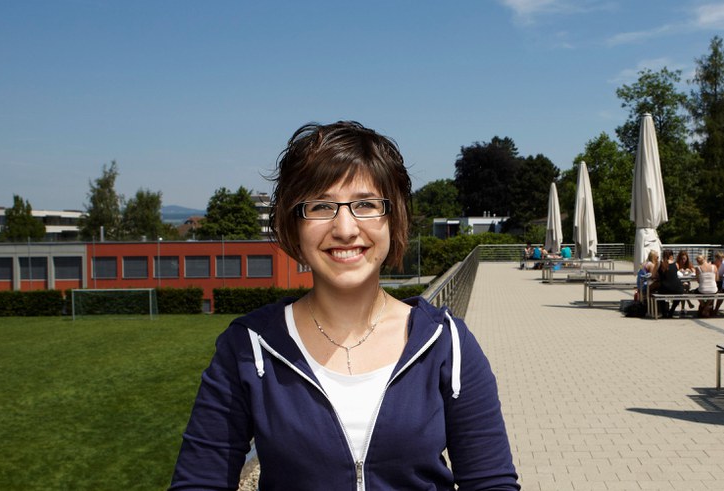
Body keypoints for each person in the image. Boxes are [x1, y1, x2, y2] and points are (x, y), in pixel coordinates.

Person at [171, 121, 519, 490]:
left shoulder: (447, 344)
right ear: (294, 224)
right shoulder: (248, 348)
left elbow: (491, 483)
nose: (345, 229)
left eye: (366, 204)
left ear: (393, 219)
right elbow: (199, 482)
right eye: (321, 206)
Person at [654, 249, 686, 318]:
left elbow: (653, 275)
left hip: (664, 288)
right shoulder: (676, 264)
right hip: (677, 288)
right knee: (680, 292)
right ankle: (672, 310)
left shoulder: (659, 263)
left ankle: (664, 312)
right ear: (671, 256)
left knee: (659, 291)